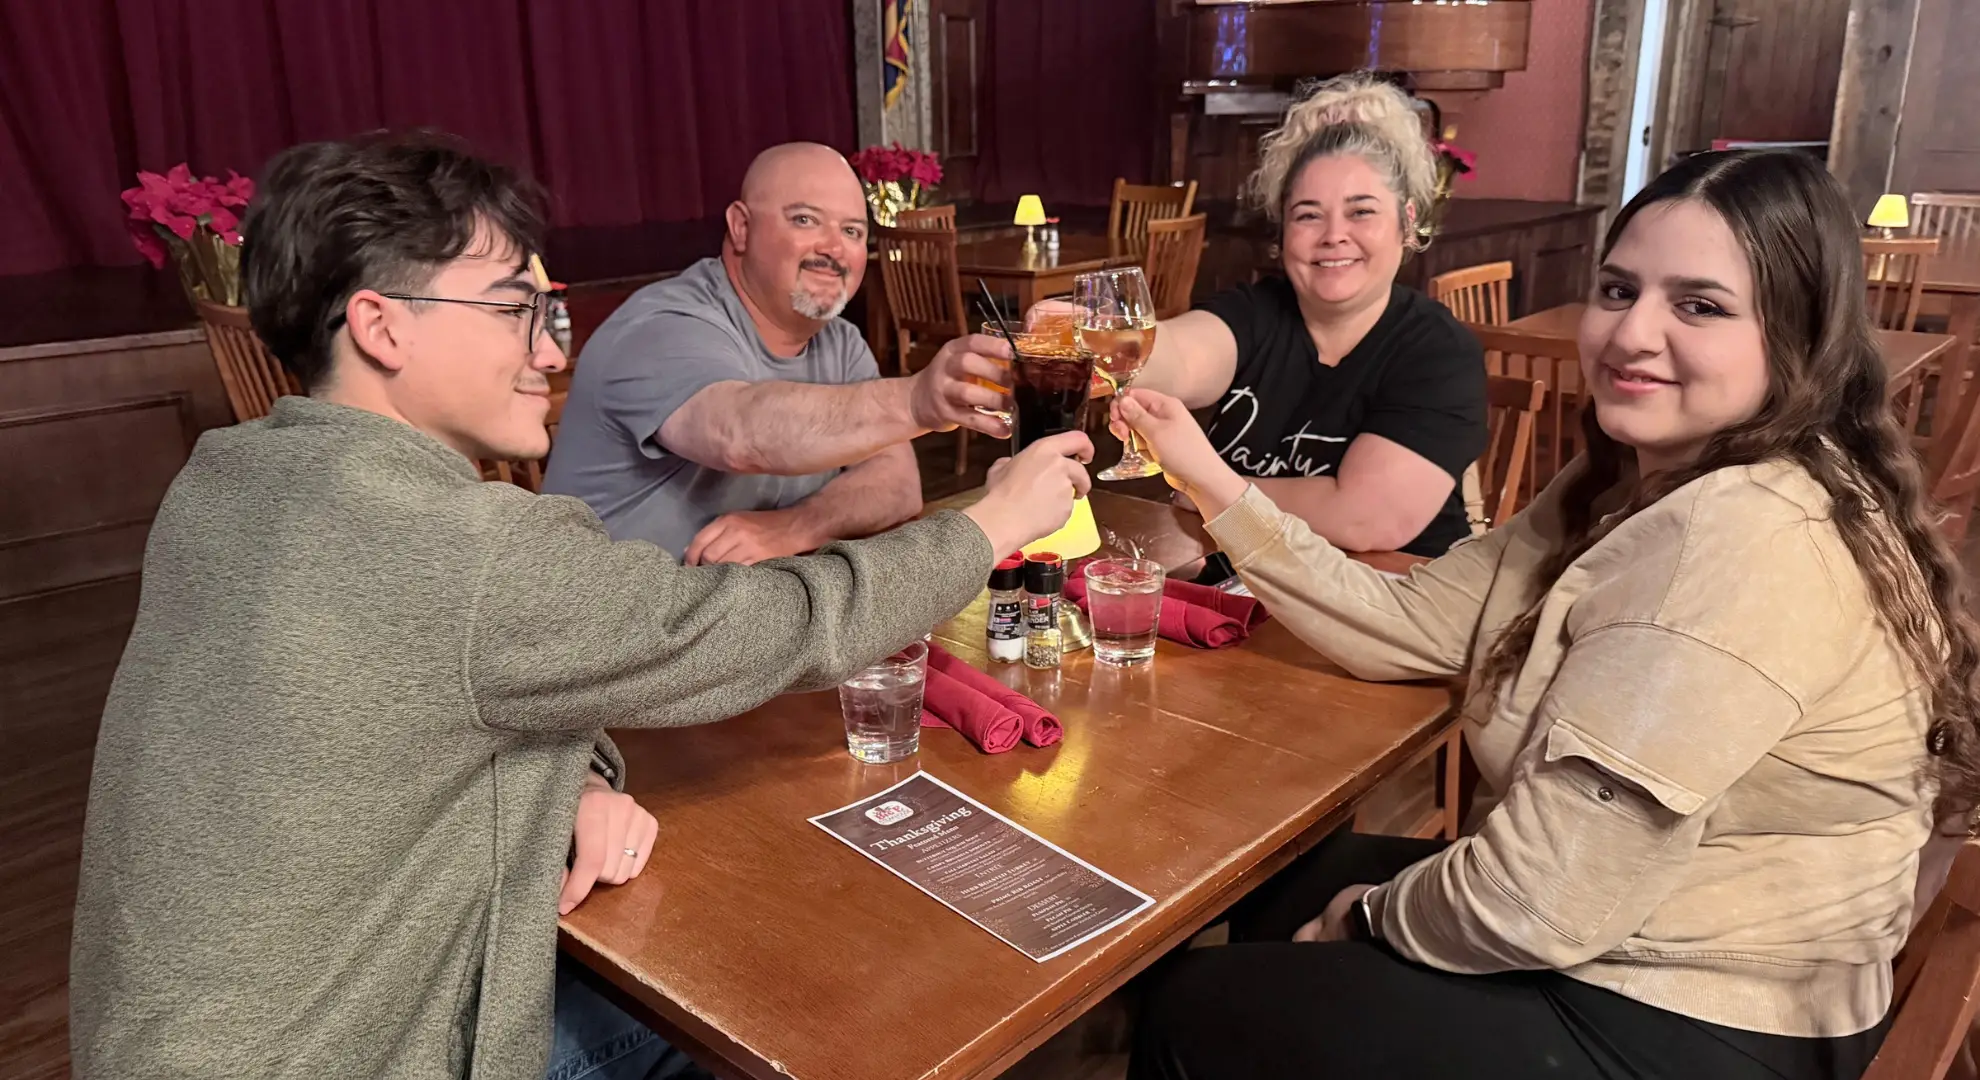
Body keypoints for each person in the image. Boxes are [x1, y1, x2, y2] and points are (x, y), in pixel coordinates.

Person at [67, 132, 1092, 1080]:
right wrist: (992, 521)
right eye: (514, 309)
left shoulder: (224, 482)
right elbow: (783, 625)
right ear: (381, 325)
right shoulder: (470, 548)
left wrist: (574, 779)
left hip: (170, 1041)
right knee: (821, 1001)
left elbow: (404, 702)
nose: (554, 354)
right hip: (349, 1051)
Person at [1111, 148, 1975, 1078]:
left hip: (1700, 1012)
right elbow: (1410, 621)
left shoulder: (1741, 538)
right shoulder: (1634, 482)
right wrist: (1207, 478)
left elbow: (1538, 898)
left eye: (1699, 306)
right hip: (1623, 928)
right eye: (1619, 290)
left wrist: (1368, 916)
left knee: (1195, 1005)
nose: (1633, 335)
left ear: (1798, 334)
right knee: (1275, 880)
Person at [543, 142, 1013, 564]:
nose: (834, 248)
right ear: (741, 227)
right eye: (805, 220)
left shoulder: (841, 342)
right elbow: (738, 432)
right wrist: (914, 402)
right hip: (607, 621)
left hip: (737, 610)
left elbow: (898, 485)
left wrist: (793, 527)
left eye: (852, 231)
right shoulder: (661, 325)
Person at [1127, 73, 1487, 567]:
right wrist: (1104, 342)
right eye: (1308, 215)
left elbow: (1364, 519)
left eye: (1361, 212)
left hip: (1388, 594)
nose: (1333, 235)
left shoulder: (1439, 352)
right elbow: (1176, 357)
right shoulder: (1256, 311)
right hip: (1249, 586)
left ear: (1406, 223)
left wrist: (1207, 488)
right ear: (1282, 233)